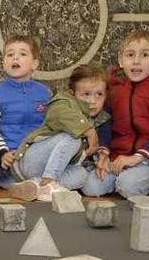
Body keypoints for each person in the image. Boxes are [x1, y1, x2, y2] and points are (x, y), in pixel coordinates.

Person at [82, 30, 149, 198]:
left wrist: (137, 157)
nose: (136, 61)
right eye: (130, 55)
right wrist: (104, 154)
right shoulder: (114, 91)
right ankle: (122, 182)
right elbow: (104, 126)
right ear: (121, 61)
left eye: (145, 55)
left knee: (127, 186)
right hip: (119, 158)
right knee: (91, 187)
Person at [10, 65, 110, 201]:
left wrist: (102, 155)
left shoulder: (102, 119)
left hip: (54, 169)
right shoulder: (63, 102)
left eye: (99, 94)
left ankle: (36, 188)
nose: (93, 101)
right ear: (72, 93)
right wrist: (89, 131)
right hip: (31, 161)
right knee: (73, 137)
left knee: (82, 174)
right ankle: (49, 182)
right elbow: (60, 114)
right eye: (86, 94)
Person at [0, 35, 51, 200]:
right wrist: (3, 153)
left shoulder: (45, 93)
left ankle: (32, 184)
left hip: (34, 156)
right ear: (3, 63)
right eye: (10, 54)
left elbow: (50, 126)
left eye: (22, 54)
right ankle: (29, 186)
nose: (15, 57)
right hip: (8, 161)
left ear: (34, 64)